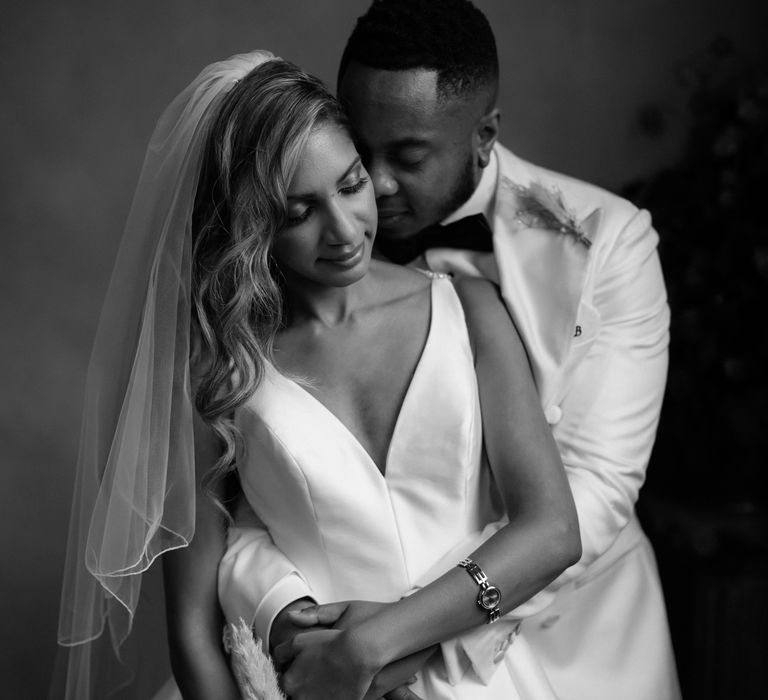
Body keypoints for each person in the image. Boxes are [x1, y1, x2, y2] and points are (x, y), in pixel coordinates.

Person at [54, 49, 581, 700]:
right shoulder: (219, 365)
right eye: (297, 212)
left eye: (351, 183)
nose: (344, 231)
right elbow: (193, 629)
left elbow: (553, 530)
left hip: (483, 678)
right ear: (250, 224)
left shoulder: (469, 308)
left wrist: (369, 646)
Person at [220, 1, 682, 699]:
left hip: (576, 638)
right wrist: (288, 612)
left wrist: (396, 634)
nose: (371, 187)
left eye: (406, 157)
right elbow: (260, 489)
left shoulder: (607, 243)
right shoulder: (291, 273)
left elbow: (591, 495)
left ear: (484, 136)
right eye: (357, 151)